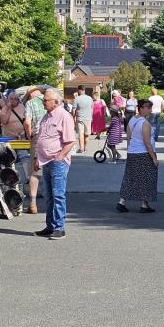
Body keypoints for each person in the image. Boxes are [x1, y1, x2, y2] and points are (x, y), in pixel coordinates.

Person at [32, 88, 75, 240]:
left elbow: (70, 141)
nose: (43, 103)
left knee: (58, 195)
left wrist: (60, 157)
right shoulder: (46, 117)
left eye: (46, 100)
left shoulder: (64, 116)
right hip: (45, 161)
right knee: (49, 196)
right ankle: (50, 226)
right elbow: (41, 138)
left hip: (57, 161)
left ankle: (59, 228)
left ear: (56, 102)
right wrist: (37, 158)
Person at [118, 98, 158, 213]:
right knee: (147, 178)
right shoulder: (145, 123)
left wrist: (130, 150)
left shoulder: (132, 120)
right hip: (143, 154)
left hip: (132, 153)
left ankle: (122, 202)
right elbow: (147, 142)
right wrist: (154, 158)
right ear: (141, 108)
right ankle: (144, 205)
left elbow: (128, 137)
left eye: (150, 107)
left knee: (130, 177)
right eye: (148, 107)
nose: (150, 110)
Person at [23, 87, 47, 214]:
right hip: (52, 137)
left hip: (37, 136)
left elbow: (27, 123)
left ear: (31, 94)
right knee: (52, 169)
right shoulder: (51, 100)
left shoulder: (30, 103)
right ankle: (53, 202)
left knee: (35, 171)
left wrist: (29, 135)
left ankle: (33, 204)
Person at [72, 85, 94, 153]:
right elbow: (92, 108)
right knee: (87, 134)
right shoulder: (90, 98)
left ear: (79, 90)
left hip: (80, 118)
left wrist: (73, 117)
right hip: (88, 118)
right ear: (84, 90)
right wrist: (91, 116)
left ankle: (81, 148)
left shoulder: (77, 99)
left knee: (81, 133)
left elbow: (73, 110)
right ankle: (85, 147)